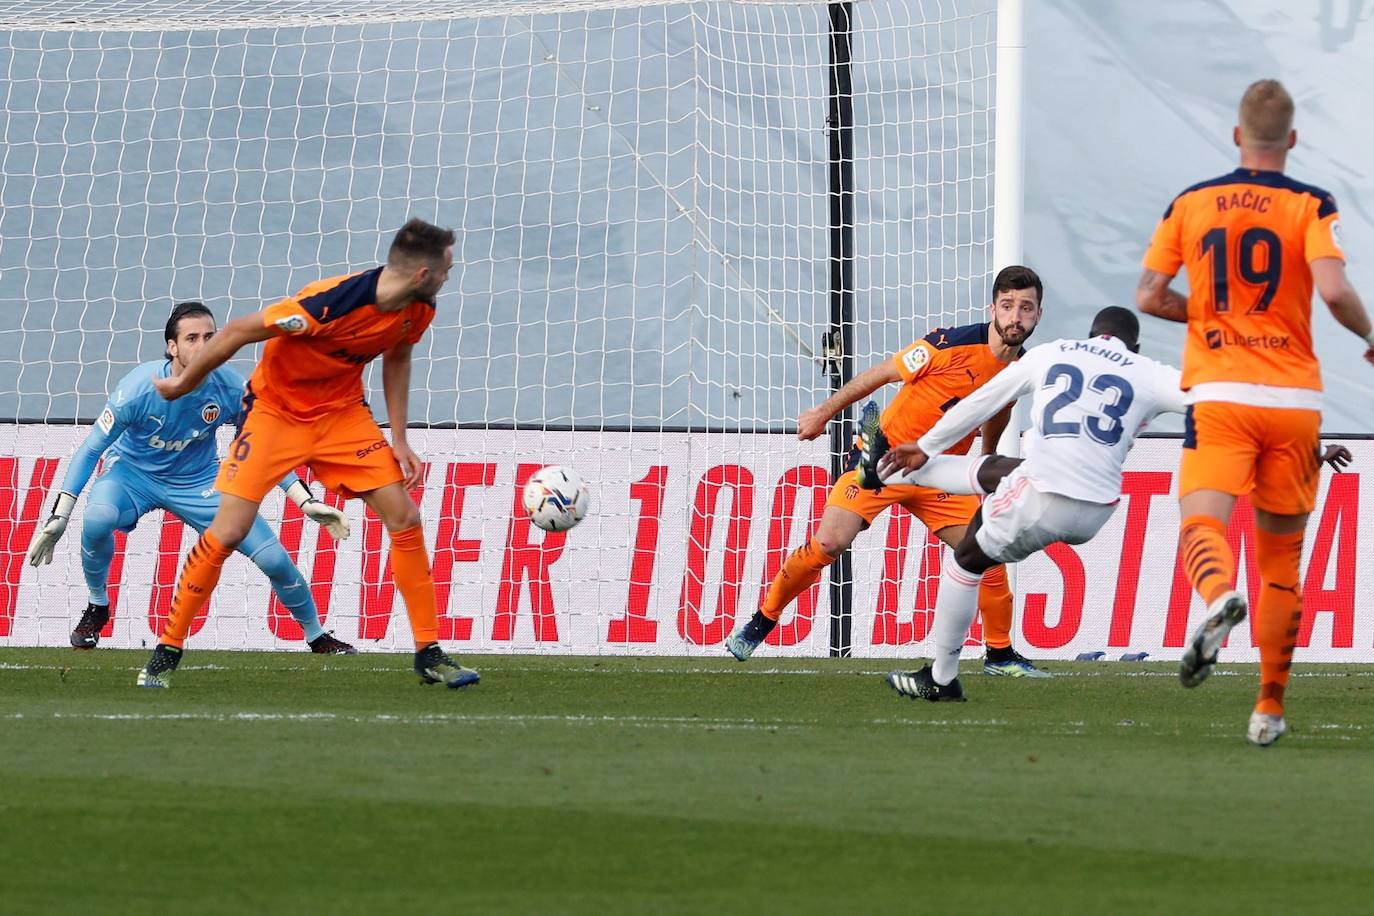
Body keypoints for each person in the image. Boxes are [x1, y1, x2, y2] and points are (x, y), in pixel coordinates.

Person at [134, 219, 479, 689]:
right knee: (230, 530)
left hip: (341, 415)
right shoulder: (328, 303)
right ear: (423, 273)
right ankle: (167, 649)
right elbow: (236, 331)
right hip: (275, 413)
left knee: (404, 517)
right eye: (447, 270)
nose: (449, 276)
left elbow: (397, 355)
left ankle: (429, 652)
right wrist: (181, 383)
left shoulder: (418, 307)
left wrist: (399, 438)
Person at [1137, 79, 1374, 745]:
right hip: (1295, 402)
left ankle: (1217, 598)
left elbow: (1150, 295)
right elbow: (1333, 291)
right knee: (1282, 564)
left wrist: (1214, 315)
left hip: (1221, 396)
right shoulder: (1310, 203)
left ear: (1237, 136)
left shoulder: (1192, 202)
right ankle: (1268, 706)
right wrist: (1371, 337)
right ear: (1292, 141)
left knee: (1202, 524)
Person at [725, 265, 1047, 676]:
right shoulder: (946, 344)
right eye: (1007, 306)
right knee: (828, 544)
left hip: (940, 473)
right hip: (886, 462)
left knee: (987, 551)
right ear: (993, 309)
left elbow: (997, 413)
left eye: (1025, 308)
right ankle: (762, 621)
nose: (1015, 317)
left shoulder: (1020, 371)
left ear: (1038, 315)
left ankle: (1000, 655)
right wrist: (823, 412)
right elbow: (881, 373)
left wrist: (984, 466)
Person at [868, 308, 1183, 700]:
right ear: (1133, 345)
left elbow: (983, 401)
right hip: (1098, 511)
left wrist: (927, 444)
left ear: (1090, 334)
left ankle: (941, 679)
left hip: (1045, 497)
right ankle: (887, 471)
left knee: (966, 560)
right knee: (1004, 470)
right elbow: (1215, 404)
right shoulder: (1151, 371)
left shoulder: (1052, 352)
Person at [25, 302, 355, 655]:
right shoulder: (138, 388)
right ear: (172, 347)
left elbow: (261, 447)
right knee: (98, 518)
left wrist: (305, 501)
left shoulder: (230, 387)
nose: (204, 344)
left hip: (200, 482)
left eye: (210, 337)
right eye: (193, 337)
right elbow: (91, 449)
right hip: (132, 476)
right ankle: (97, 606)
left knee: (273, 559)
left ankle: (317, 637)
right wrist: (60, 516)